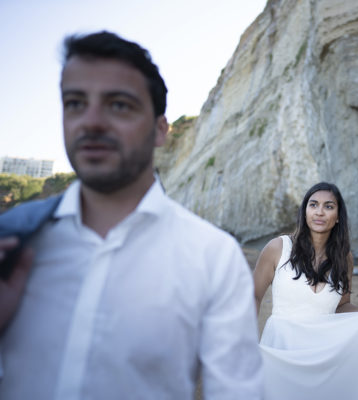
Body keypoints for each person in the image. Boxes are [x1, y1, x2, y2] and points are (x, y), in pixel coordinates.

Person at [0, 31, 263, 399]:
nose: (91, 122)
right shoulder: (11, 239)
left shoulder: (214, 258)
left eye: (119, 105)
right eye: (75, 103)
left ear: (160, 130)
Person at [253, 182, 358, 400]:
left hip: (323, 353)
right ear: (305, 211)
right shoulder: (278, 248)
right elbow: (253, 297)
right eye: (313, 205)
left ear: (338, 216)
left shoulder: (344, 258)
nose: (320, 212)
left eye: (329, 206)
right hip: (281, 349)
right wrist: (244, 341)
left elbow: (341, 306)